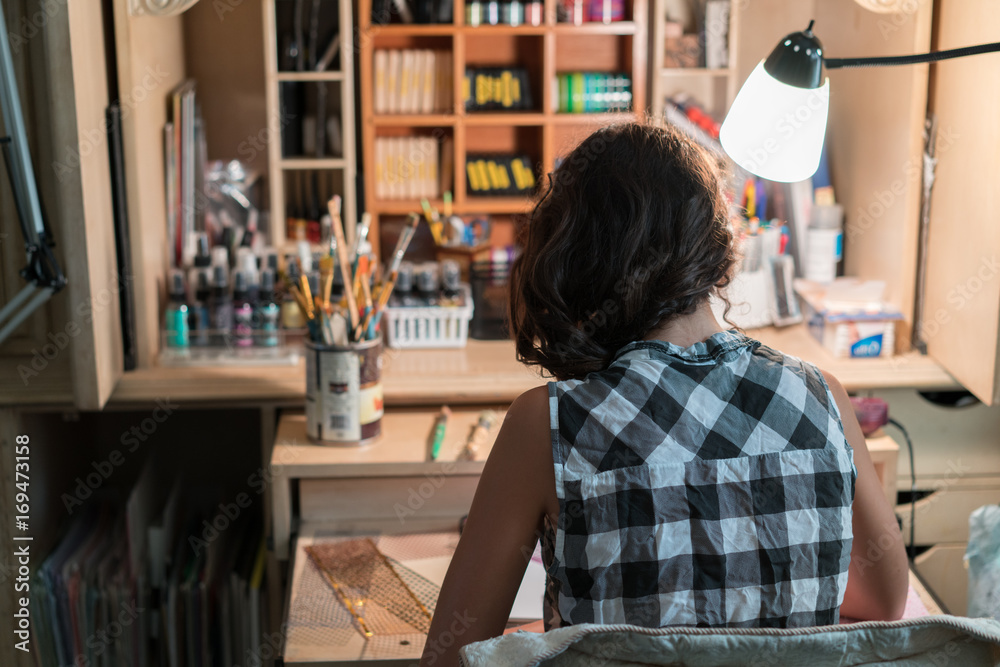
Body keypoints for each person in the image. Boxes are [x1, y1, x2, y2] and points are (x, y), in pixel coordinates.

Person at [420, 123, 908, 667]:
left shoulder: (549, 424)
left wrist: (565, 637)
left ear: (574, 261)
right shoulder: (823, 399)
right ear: (718, 248)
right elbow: (883, 603)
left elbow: (450, 657)